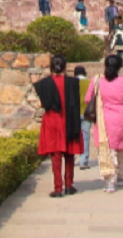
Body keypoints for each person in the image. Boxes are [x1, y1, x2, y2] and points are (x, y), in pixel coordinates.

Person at [84, 55, 123, 193]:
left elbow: (87, 99)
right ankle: (122, 175)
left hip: (104, 120)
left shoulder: (97, 80)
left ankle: (109, 181)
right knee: (121, 149)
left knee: (107, 150)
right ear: (120, 66)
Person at [34, 55, 83, 197]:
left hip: (52, 120)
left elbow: (43, 103)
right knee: (69, 153)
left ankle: (57, 187)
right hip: (69, 119)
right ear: (64, 66)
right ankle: (69, 184)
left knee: (55, 155)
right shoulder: (73, 83)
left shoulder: (44, 84)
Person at [74, 66, 92, 169]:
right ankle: (83, 160)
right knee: (85, 136)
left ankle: (71, 158)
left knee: (74, 137)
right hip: (86, 112)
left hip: (74, 113)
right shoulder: (89, 82)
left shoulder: (72, 82)